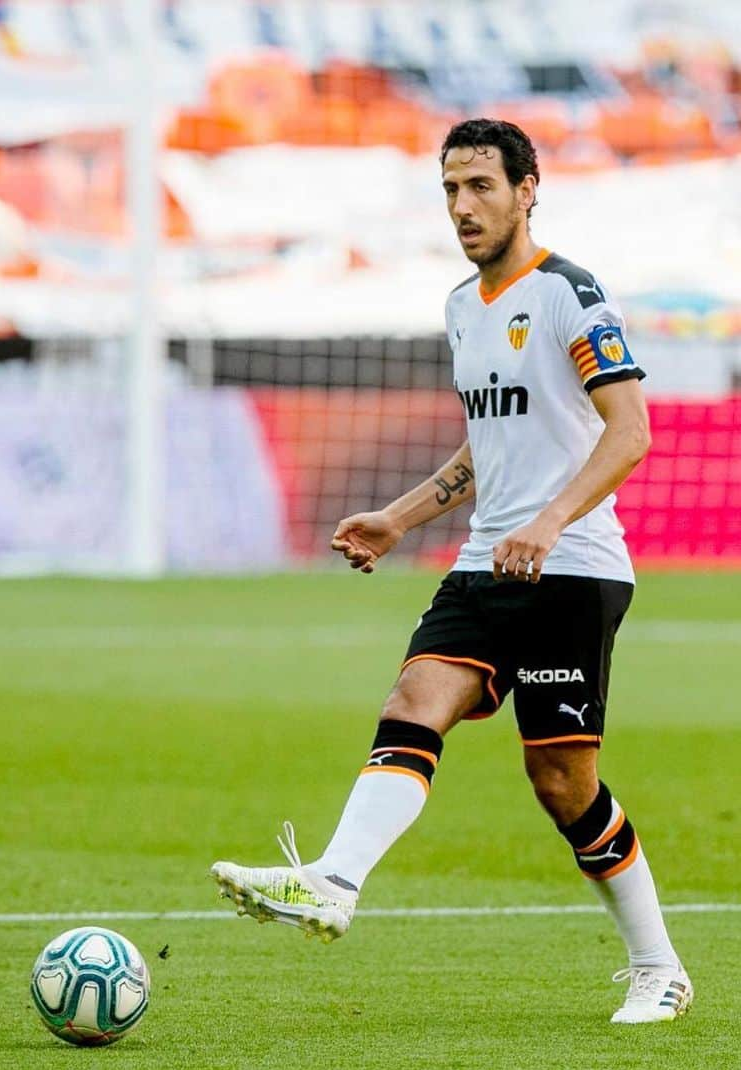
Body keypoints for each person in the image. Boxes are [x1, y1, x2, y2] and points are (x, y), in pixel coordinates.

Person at [211, 119, 691, 1024]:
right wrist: (398, 517)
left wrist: (549, 523)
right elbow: (488, 441)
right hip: (486, 560)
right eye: (450, 191)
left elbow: (630, 433)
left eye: (480, 186)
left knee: (562, 784)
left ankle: (659, 967)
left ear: (527, 188)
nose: (463, 207)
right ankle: (335, 882)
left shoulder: (569, 295)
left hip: (574, 566)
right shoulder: (461, 305)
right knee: (414, 700)